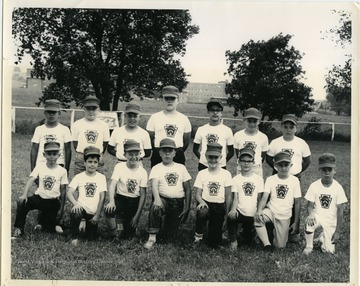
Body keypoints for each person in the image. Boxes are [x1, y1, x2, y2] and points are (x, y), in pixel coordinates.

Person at [266, 114, 311, 243]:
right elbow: (269, 159)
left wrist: (297, 171)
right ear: (281, 127)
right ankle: (272, 227)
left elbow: (307, 160)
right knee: (276, 201)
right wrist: (278, 169)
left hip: (295, 177)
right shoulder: (276, 142)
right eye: (285, 126)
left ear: (296, 128)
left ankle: (293, 231)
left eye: (291, 127)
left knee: (293, 204)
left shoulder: (301, 143)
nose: (288, 129)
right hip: (278, 176)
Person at [30, 99, 72, 233]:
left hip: (58, 165)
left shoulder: (64, 129)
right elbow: (34, 149)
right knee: (44, 193)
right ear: (45, 113)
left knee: (58, 193)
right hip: (42, 165)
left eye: (54, 112)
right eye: (48, 112)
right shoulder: (39, 129)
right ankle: (41, 222)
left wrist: (66, 168)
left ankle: (57, 221)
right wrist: (33, 168)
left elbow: (68, 149)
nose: (51, 115)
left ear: (59, 113)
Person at [12, 142, 68, 239]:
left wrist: (61, 208)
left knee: (48, 230)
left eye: (54, 154)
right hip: (40, 198)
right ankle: (18, 229)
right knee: (22, 203)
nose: (51, 157)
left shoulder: (62, 171)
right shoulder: (40, 166)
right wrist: (24, 194)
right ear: (44, 155)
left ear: (59, 155)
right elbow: (31, 179)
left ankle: (52, 224)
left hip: (53, 202)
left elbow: (63, 191)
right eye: (49, 154)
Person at [144, 138, 191, 249]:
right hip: (163, 200)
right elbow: (154, 185)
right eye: (164, 150)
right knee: (155, 207)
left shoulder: (181, 168)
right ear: (159, 153)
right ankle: (152, 236)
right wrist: (157, 199)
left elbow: (188, 189)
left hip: (177, 202)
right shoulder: (157, 168)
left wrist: (187, 207)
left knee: (170, 236)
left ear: (175, 153)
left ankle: (166, 225)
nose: (167, 153)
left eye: (170, 150)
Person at [254, 151, 301, 250]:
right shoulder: (271, 179)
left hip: (284, 215)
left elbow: (297, 202)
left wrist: (296, 222)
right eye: (280, 165)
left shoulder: (295, 180)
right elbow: (264, 198)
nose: (283, 168)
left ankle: (272, 233)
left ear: (291, 165)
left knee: (280, 246)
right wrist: (259, 211)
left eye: (286, 165)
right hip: (271, 210)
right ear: (275, 166)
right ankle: (267, 244)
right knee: (258, 219)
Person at [303, 153, 347, 255]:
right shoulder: (314, 185)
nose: (327, 172)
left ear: (334, 170)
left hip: (331, 220)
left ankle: (322, 237)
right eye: (324, 170)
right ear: (320, 170)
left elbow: (340, 211)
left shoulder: (338, 188)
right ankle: (309, 246)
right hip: (317, 216)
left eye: (330, 170)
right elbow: (309, 206)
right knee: (309, 222)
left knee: (328, 251)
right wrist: (311, 214)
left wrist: (337, 231)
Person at [104, 140, 148, 240]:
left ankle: (125, 224)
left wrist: (137, 216)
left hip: (134, 202)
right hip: (120, 199)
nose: (134, 157)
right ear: (125, 155)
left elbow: (143, 195)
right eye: (130, 154)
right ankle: (114, 232)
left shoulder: (143, 172)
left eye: (136, 154)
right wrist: (111, 201)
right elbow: (112, 185)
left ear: (140, 154)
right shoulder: (119, 167)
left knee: (129, 235)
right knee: (108, 210)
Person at [193, 142, 232, 249]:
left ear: (221, 158)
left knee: (214, 243)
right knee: (202, 212)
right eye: (210, 157)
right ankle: (198, 238)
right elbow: (197, 194)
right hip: (206, 203)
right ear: (206, 157)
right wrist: (201, 202)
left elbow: (228, 196)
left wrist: (226, 214)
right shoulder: (202, 173)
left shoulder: (226, 174)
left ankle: (214, 234)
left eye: (216, 157)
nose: (213, 160)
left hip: (219, 207)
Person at [67, 146, 107, 245]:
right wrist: (75, 204)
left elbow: (102, 197)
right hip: (82, 209)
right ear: (84, 163)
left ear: (98, 164)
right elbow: (69, 192)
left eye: (95, 162)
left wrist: (97, 215)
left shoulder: (101, 177)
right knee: (76, 213)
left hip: (92, 213)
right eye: (90, 161)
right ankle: (74, 237)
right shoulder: (79, 177)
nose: (92, 165)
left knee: (91, 237)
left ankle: (87, 228)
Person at [227, 147, 264, 251]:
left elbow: (260, 198)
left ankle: (251, 232)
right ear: (239, 162)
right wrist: (233, 209)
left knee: (248, 241)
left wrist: (259, 211)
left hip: (253, 212)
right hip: (241, 211)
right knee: (231, 217)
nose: (246, 164)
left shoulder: (259, 179)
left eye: (249, 161)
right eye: (243, 161)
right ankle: (233, 241)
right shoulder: (235, 179)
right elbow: (235, 198)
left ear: (253, 162)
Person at [146, 85, 191, 167]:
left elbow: (186, 142)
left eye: (172, 98)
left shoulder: (184, 119)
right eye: (167, 98)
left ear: (178, 100)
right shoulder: (154, 117)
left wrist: (175, 152)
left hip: (177, 154)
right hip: (159, 154)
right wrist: (159, 151)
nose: (169, 101)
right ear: (162, 99)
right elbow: (150, 139)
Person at [71, 95, 110, 175]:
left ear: (98, 109)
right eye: (88, 108)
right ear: (84, 109)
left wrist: (98, 154)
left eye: (94, 109)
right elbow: (75, 143)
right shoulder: (77, 124)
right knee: (79, 181)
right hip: (81, 157)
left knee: (98, 182)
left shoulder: (104, 125)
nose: (91, 111)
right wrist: (83, 154)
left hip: (97, 156)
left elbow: (105, 144)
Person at [193, 98, 234, 171]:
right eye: (212, 110)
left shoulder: (227, 130)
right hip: (204, 166)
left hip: (221, 166)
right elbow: (195, 149)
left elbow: (231, 152)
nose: (215, 113)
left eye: (218, 110)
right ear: (208, 112)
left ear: (221, 113)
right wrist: (203, 160)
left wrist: (222, 161)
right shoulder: (201, 129)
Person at [233, 107, 268, 177]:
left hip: (256, 169)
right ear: (244, 120)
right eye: (249, 121)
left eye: (254, 121)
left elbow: (263, 156)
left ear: (259, 121)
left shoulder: (263, 137)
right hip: (241, 168)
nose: (252, 124)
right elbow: (238, 153)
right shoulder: (238, 135)